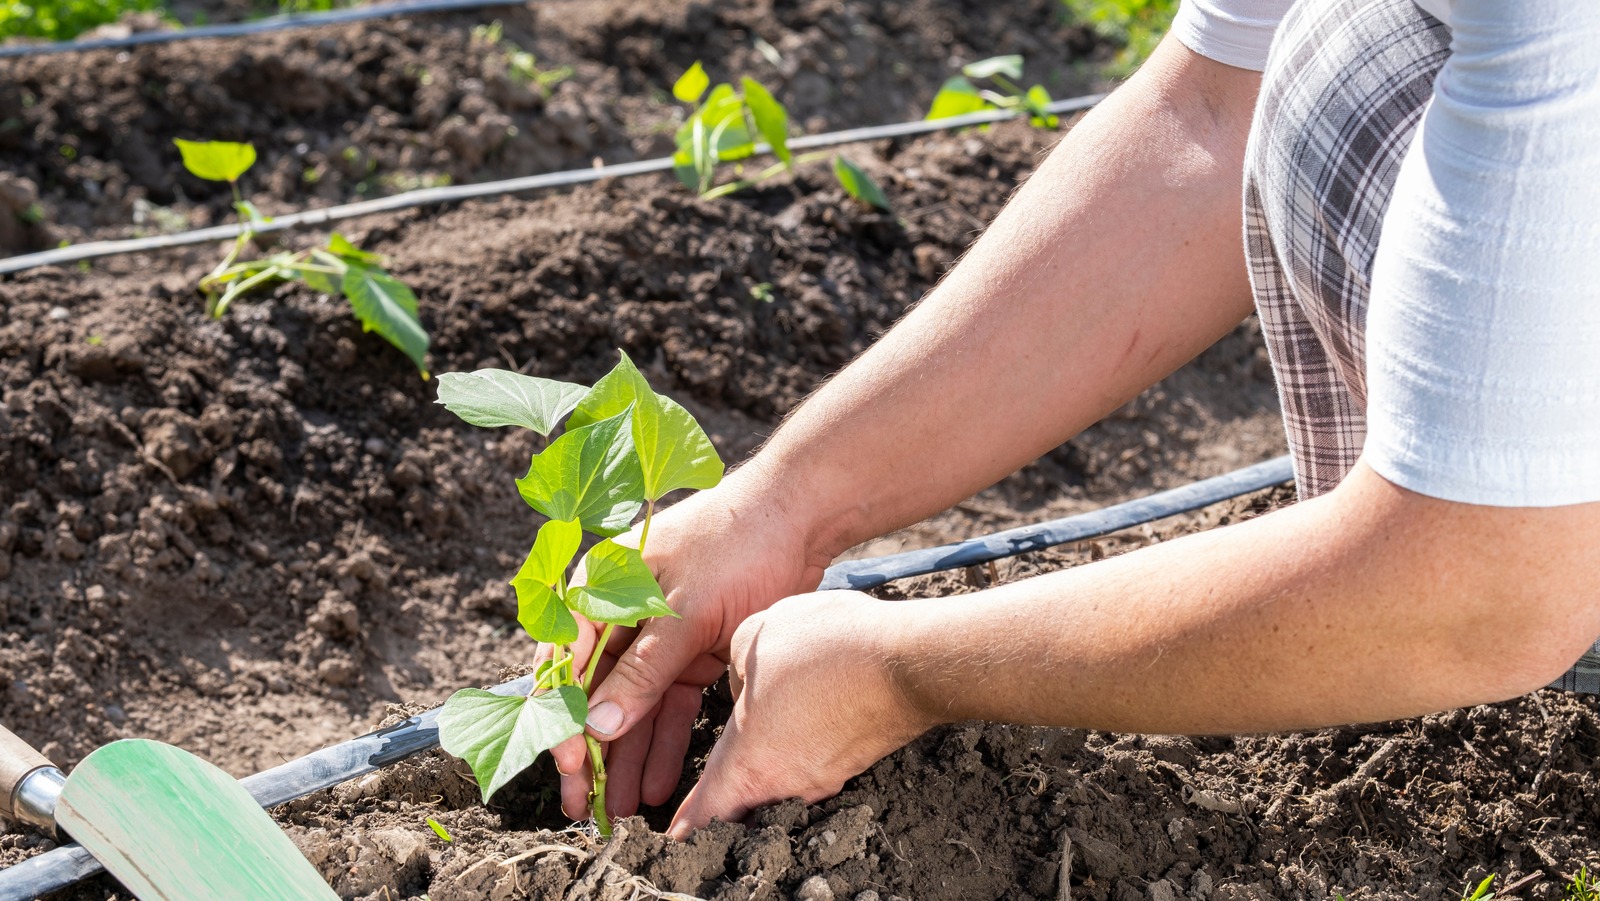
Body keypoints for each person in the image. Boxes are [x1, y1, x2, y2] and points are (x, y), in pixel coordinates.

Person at [549, 0, 1600, 840]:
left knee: (1372, 71)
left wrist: (900, 669)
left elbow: (1488, 578)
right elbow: (1208, 120)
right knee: (1335, 45)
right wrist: (783, 504)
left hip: (1512, 567)